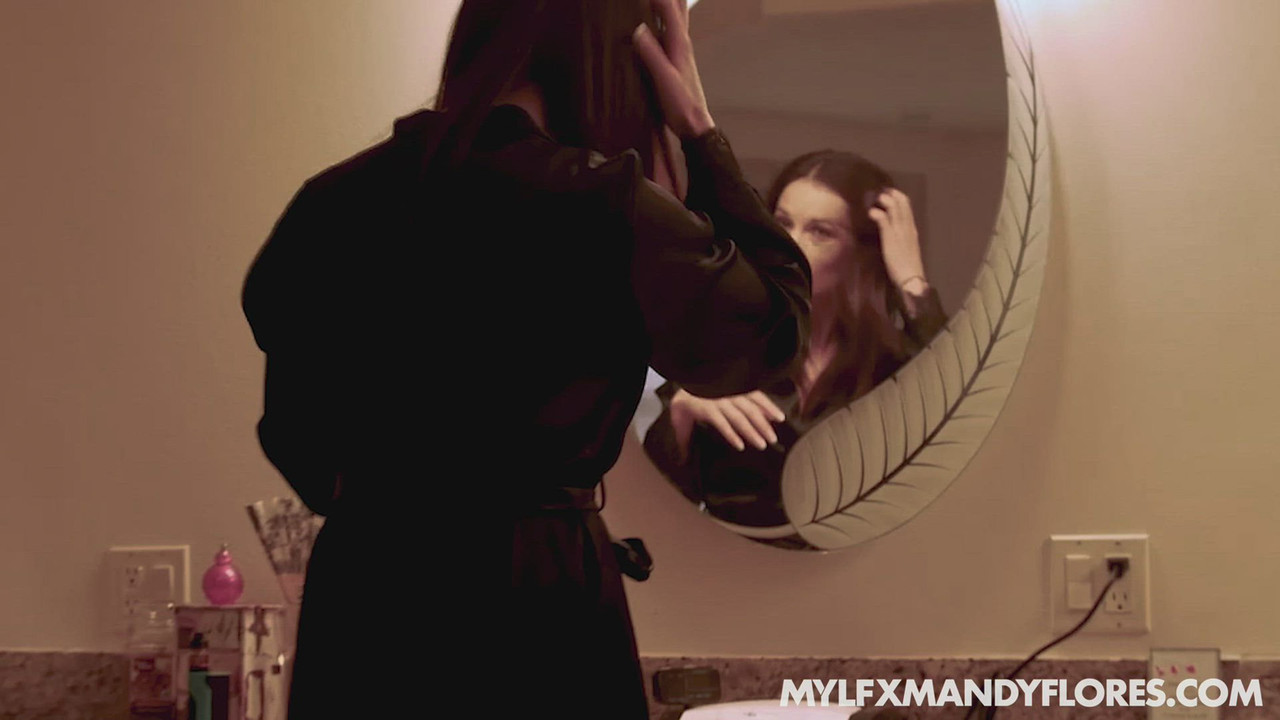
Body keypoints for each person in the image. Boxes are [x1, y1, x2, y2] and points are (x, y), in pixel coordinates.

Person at [240, 0, 811, 718]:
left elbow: (295, 439)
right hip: (538, 600)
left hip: (364, 605)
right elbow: (774, 332)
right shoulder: (608, 205)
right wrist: (697, 128)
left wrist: (393, 504)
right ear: (622, 65)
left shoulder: (331, 203)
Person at [643, 150, 948, 547]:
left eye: (820, 232)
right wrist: (682, 414)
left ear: (860, 254)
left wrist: (911, 281)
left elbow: (959, 429)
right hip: (721, 571)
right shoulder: (727, 346)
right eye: (783, 223)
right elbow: (653, 506)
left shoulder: (894, 365)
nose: (792, 244)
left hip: (857, 574)